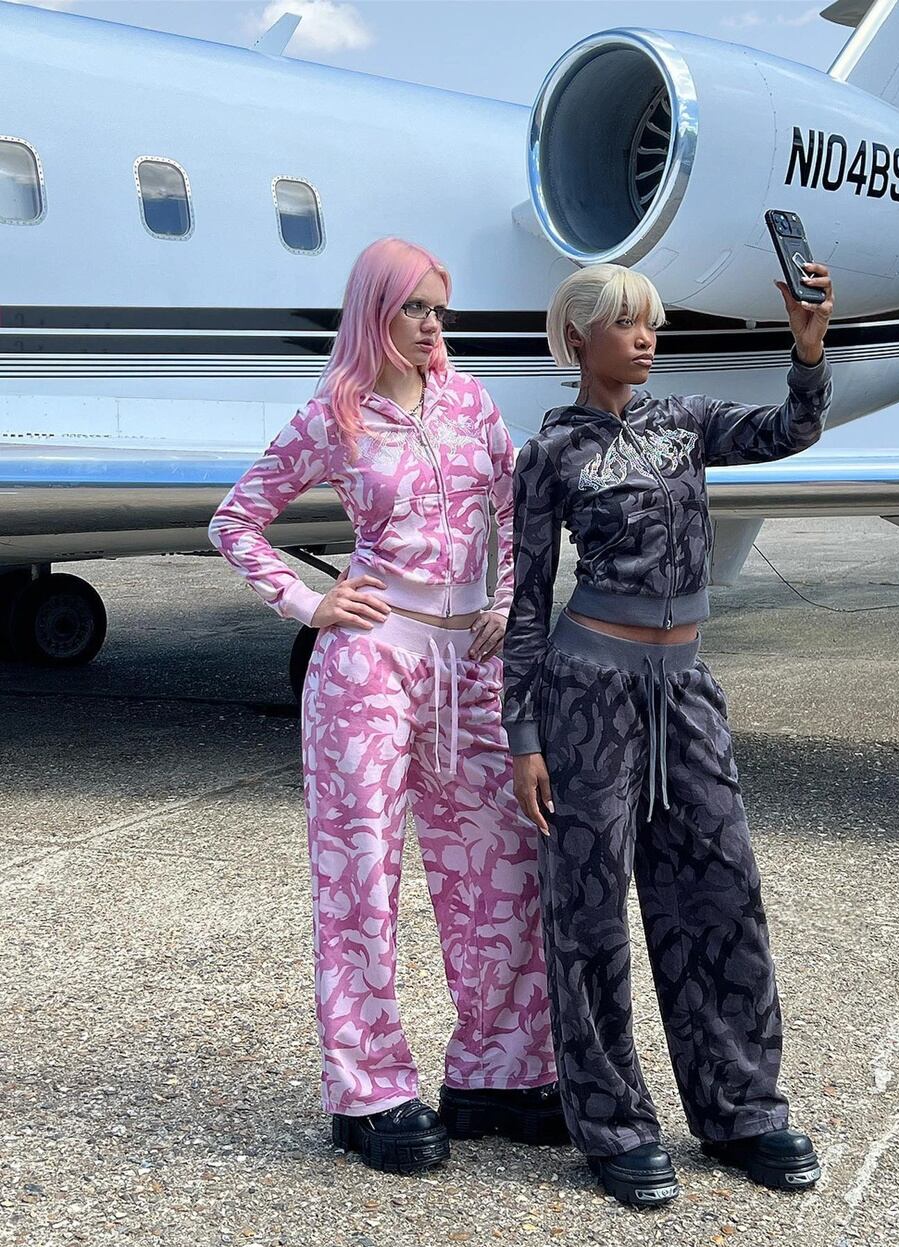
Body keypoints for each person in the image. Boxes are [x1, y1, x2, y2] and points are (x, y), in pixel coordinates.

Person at [209, 237, 563, 1176]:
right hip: (368, 667)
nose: (432, 325)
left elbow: (517, 513)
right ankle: (368, 1090)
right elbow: (235, 520)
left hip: (469, 665)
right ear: (376, 310)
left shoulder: (471, 403)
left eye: (439, 309)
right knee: (361, 874)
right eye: (415, 308)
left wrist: (506, 600)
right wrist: (310, 601)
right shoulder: (336, 415)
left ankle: (499, 1070)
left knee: (502, 870)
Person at [502, 260, 834, 1208]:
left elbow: (790, 429)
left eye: (652, 321)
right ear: (579, 337)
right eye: (626, 322)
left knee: (721, 890)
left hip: (684, 686)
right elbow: (525, 603)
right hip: (587, 692)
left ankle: (741, 1110)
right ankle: (611, 1123)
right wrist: (523, 734)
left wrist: (809, 351)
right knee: (589, 910)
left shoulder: (687, 420)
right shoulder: (549, 453)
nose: (646, 337)